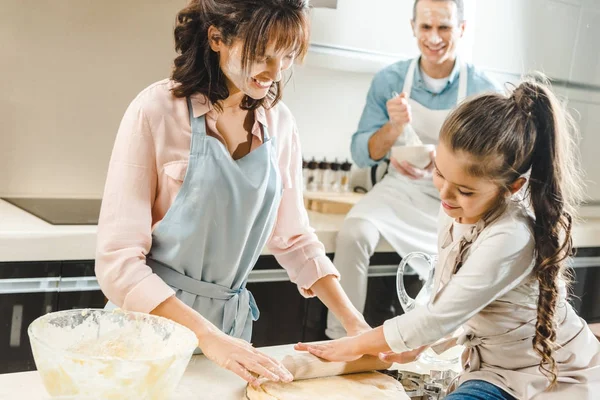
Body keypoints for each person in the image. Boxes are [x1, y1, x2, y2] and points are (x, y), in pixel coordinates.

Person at [95, 0, 369, 388]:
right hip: (146, 333)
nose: (274, 73)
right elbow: (117, 262)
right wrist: (206, 336)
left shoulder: (280, 124)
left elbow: (294, 239)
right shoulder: (156, 110)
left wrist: (353, 322)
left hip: (230, 340)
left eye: (287, 56)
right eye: (262, 54)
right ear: (217, 38)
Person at [298, 78, 600, 399]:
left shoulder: (511, 235)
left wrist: (354, 344)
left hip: (554, 378)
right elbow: (448, 301)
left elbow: (438, 317)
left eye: (465, 190)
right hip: (493, 374)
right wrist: (415, 345)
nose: (444, 193)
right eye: (439, 173)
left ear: (510, 188)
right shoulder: (453, 209)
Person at [327, 0, 502, 339]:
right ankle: (343, 337)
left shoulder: (484, 88)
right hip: (399, 189)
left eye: (444, 27)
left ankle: (440, 346)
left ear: (462, 29)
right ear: (413, 27)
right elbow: (362, 154)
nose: (434, 37)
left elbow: (495, 164)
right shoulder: (389, 80)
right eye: (426, 27)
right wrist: (392, 129)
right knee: (353, 234)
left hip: (454, 198)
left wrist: (449, 161)